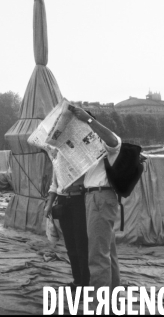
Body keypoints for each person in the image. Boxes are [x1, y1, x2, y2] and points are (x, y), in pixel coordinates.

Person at [68, 105, 122, 294]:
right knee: (108, 250)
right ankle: (113, 295)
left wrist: (88, 119)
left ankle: (100, 304)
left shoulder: (104, 139)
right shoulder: (87, 146)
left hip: (100, 196)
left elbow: (114, 141)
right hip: (96, 196)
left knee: (97, 254)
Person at [44, 173, 89, 292]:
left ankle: (85, 284)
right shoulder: (58, 158)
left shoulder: (81, 157)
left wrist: (79, 188)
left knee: (81, 243)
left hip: (79, 200)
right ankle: (77, 280)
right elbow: (54, 184)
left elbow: (91, 181)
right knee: (70, 244)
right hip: (62, 201)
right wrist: (49, 205)